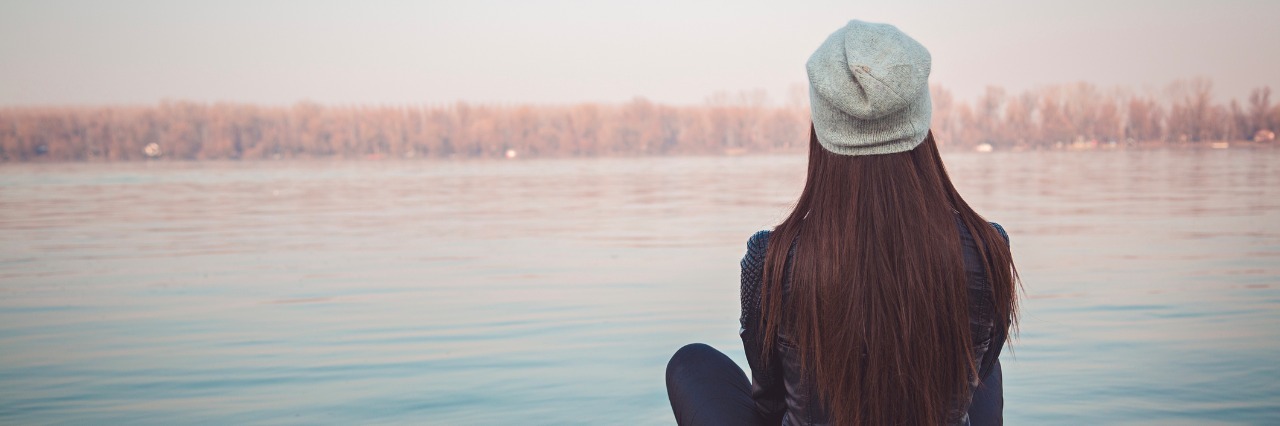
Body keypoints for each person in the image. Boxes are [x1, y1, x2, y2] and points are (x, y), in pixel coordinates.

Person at [665, 20, 1019, 426]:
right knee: (979, 363)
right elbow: (984, 365)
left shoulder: (771, 258)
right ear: (922, 121)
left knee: (690, 364)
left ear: (822, 128)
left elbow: (769, 403)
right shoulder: (989, 245)